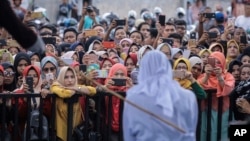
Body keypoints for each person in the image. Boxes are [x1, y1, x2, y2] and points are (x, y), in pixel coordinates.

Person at [123, 50, 198, 141]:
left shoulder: (133, 97)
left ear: (143, 69)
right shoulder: (188, 97)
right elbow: (190, 133)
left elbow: (129, 135)